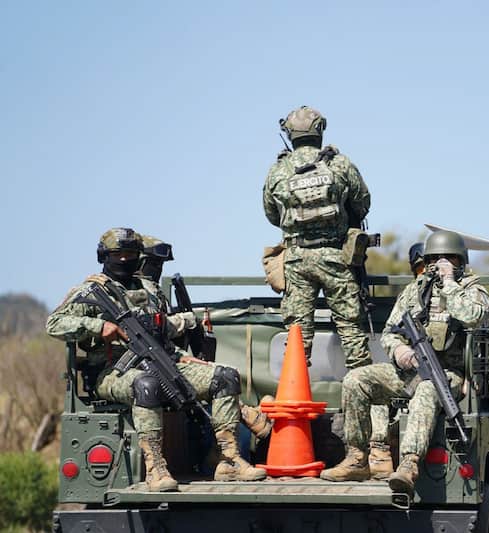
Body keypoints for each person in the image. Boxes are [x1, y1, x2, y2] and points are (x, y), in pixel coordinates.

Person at [46, 228, 266, 491]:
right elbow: (54, 323)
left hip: (161, 361)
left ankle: (228, 461)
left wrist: (182, 343)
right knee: (146, 385)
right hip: (111, 371)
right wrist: (96, 327)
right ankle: (155, 469)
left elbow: (162, 335)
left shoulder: (150, 290)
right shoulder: (91, 291)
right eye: (118, 254)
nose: (125, 260)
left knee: (225, 377)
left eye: (130, 254)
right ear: (105, 256)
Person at [319, 230, 489, 495]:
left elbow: (472, 316)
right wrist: (399, 350)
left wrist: (450, 285)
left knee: (427, 389)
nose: (441, 264)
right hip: (411, 369)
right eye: (435, 259)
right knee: (356, 380)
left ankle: (408, 465)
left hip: (451, 374)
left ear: (461, 261)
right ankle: (357, 458)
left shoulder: (472, 291)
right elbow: (390, 332)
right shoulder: (415, 291)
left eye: (449, 259)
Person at [262, 105, 372, 369]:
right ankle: (367, 401)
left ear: (289, 134)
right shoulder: (339, 163)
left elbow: (271, 214)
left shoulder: (278, 170)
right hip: (337, 258)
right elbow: (363, 204)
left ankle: (294, 401)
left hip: (296, 262)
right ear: (320, 130)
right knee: (353, 335)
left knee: (298, 339)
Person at [137, 234, 273, 442]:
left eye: (160, 263)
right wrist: (186, 320)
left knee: (222, 376)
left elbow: (158, 341)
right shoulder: (136, 292)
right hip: (145, 366)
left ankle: (227, 445)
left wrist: (183, 356)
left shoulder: (154, 293)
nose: (158, 268)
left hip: (163, 359)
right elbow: (151, 330)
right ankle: (246, 416)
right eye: (154, 263)